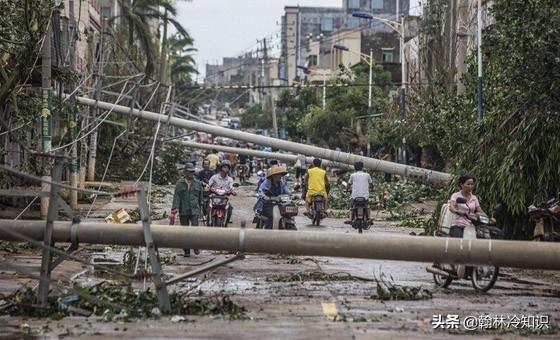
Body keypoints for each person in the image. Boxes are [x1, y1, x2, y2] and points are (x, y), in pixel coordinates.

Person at [170, 164, 203, 257]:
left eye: (192, 171)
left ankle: (196, 246)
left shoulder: (198, 183)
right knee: (184, 231)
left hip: (194, 210)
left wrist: (201, 210)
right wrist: (175, 208)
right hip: (183, 210)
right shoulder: (179, 183)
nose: (191, 173)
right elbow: (176, 197)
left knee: (195, 229)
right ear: (185, 172)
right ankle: (186, 250)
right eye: (189, 171)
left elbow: (200, 198)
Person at [207, 160, 236, 225]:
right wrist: (207, 188)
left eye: (227, 167)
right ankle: (208, 219)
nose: (226, 169)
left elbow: (232, 187)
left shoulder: (230, 179)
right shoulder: (214, 177)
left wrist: (233, 191)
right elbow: (208, 185)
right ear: (221, 168)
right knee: (209, 205)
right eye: (224, 167)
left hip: (224, 198)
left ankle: (226, 222)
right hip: (214, 197)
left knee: (230, 207)